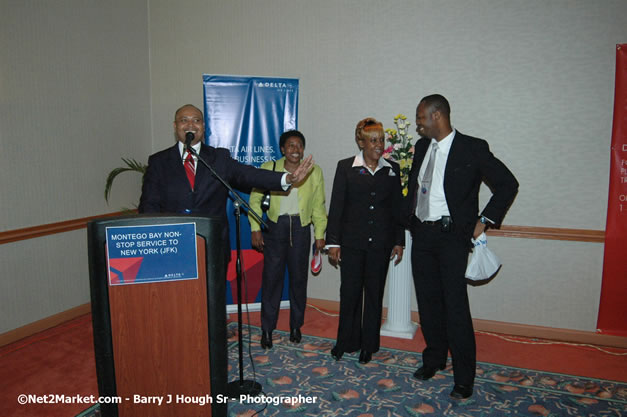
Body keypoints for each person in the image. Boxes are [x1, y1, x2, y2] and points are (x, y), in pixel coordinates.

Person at [405, 94, 518, 399]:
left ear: (437, 115)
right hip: (423, 237)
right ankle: (434, 359)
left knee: (455, 308)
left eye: (420, 118)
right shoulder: (421, 147)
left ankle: (464, 378)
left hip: (452, 238)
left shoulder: (472, 147)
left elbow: (508, 184)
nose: (417, 125)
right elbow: (418, 187)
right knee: (428, 304)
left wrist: (485, 220)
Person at [138, 104, 314, 260]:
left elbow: (249, 174)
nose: (191, 125)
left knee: (214, 297)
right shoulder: (158, 161)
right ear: (175, 126)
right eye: (184, 120)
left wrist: (287, 178)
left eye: (197, 120)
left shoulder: (218, 158)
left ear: (203, 127)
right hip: (172, 246)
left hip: (212, 244)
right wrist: (155, 242)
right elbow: (149, 205)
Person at [326, 117, 405, 364]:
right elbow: (337, 206)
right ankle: (345, 341)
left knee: (374, 294)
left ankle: (368, 345)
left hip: (380, 244)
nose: (378, 145)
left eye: (381, 140)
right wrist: (333, 242)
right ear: (361, 141)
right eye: (373, 140)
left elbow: (397, 209)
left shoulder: (392, 169)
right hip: (351, 243)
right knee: (349, 293)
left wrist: (398, 240)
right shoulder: (345, 167)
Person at [248, 130, 327, 349]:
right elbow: (254, 201)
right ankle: (267, 329)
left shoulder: (314, 171)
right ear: (282, 149)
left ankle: (295, 326)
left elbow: (319, 205)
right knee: (272, 280)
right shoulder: (269, 169)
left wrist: (320, 234)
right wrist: (256, 228)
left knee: (299, 280)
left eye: (299, 145)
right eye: (291, 145)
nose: (295, 150)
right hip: (275, 228)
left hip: (301, 229)